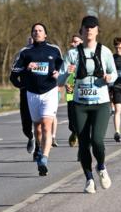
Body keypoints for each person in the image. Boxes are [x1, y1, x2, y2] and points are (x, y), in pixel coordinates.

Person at [58, 15, 116, 194]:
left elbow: (114, 73)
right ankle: (89, 179)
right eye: (86, 27)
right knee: (83, 143)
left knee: (97, 140)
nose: (89, 29)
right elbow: (59, 80)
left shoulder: (105, 51)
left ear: (97, 31)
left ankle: (101, 167)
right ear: (81, 31)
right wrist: (67, 73)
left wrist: (109, 77)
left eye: (92, 27)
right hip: (80, 104)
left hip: (101, 103)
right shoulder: (72, 54)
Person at [14, 23, 63, 177]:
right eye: (34, 31)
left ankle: (44, 159)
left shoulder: (54, 50)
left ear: (45, 34)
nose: (37, 32)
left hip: (50, 91)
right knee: (38, 128)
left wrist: (58, 74)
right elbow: (13, 76)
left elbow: (62, 67)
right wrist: (26, 69)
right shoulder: (25, 52)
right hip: (32, 93)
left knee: (47, 126)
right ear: (32, 34)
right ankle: (39, 148)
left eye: (40, 30)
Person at [10, 35, 35, 154]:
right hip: (26, 92)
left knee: (42, 122)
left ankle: (40, 150)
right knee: (26, 124)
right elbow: (13, 76)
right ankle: (31, 137)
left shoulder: (47, 53)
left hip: (43, 92)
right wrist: (21, 85)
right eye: (30, 41)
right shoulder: (22, 55)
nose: (32, 43)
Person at [63, 33, 82, 150]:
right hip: (71, 85)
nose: (73, 43)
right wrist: (66, 84)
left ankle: (81, 134)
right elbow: (64, 70)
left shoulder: (88, 53)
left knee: (82, 111)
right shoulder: (70, 54)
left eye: (76, 41)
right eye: (72, 41)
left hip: (83, 87)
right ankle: (74, 131)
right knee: (71, 111)